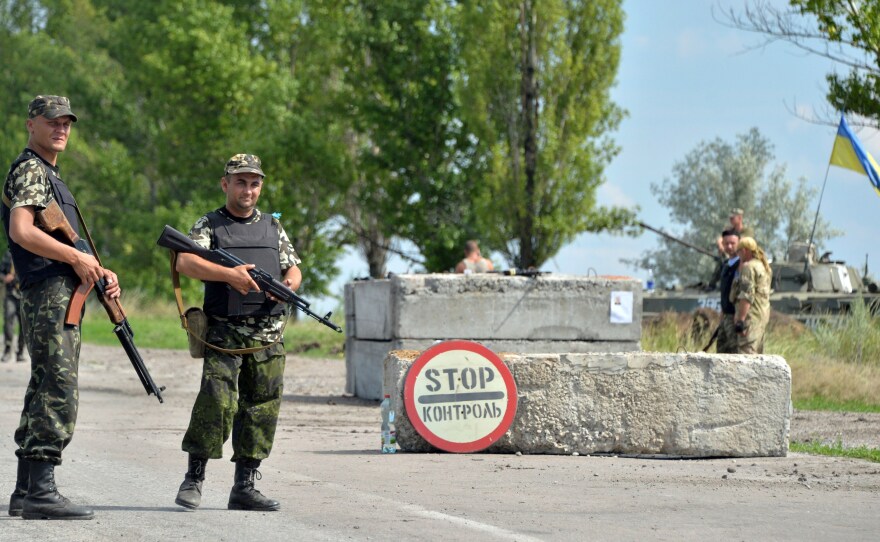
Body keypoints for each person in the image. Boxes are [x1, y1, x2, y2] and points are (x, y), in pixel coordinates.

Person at [3, 95, 121, 520]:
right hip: (49, 291)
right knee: (58, 387)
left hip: (58, 291)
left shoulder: (50, 176)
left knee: (43, 384)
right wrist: (75, 259)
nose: (61, 129)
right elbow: (21, 231)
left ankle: (24, 489)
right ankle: (42, 492)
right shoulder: (31, 169)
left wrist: (96, 268)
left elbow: (66, 241)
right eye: (52, 121)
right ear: (31, 124)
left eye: (67, 123)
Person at [173, 153, 301, 512]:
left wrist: (286, 285)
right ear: (225, 184)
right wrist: (228, 275)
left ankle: (245, 485)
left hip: (269, 335)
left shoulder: (273, 226)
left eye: (254, 182)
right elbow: (184, 261)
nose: (248, 189)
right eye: (241, 182)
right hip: (225, 336)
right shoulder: (211, 224)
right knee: (216, 403)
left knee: (261, 409)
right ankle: (194, 477)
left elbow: (293, 268)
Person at [731, 236, 772, 354]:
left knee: (746, 356)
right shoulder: (764, 267)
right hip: (761, 317)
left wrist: (740, 320)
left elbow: (746, 295)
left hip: (750, 318)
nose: (738, 256)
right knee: (757, 356)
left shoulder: (748, 267)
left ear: (744, 251)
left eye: (739, 252)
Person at [715, 230, 740, 353]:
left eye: (733, 243)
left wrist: (740, 317)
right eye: (726, 243)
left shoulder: (742, 265)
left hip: (735, 316)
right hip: (725, 316)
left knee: (735, 353)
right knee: (721, 352)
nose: (729, 246)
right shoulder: (726, 265)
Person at [0, 250, 25, 362]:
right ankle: (7, 350)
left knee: (24, 325)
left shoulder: (28, 251)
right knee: (8, 321)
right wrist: (4, 278)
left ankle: (20, 352)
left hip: (24, 294)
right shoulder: (8, 255)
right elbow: (0, 272)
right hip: (10, 293)